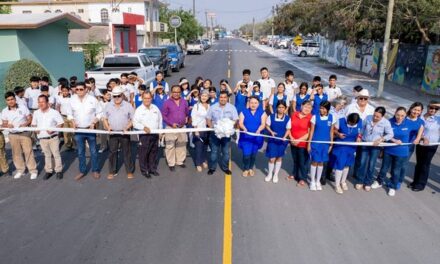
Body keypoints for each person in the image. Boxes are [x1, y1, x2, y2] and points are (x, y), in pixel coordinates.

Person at [67, 82, 102, 180]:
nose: (78, 91)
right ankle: (82, 171)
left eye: (81, 89)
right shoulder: (72, 100)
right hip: (78, 130)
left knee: (93, 151)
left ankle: (95, 170)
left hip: (90, 130)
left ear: (86, 89)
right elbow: (69, 113)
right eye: (76, 89)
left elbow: (100, 113)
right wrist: (72, 121)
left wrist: (94, 122)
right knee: (80, 152)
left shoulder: (93, 100)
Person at [375, 107, 411, 196]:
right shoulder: (389, 122)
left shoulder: (409, 123)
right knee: (384, 168)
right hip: (389, 150)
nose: (399, 117)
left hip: (402, 152)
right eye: (398, 115)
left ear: (405, 115)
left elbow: (421, 129)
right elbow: (384, 133)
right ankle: (379, 182)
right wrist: (394, 140)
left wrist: (421, 138)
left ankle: (392, 186)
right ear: (395, 113)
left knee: (396, 170)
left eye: (402, 115)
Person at [2, 91, 37, 179]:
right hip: (13, 135)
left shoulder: (22, 107)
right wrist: (7, 125)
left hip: (24, 133)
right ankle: (20, 170)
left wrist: (25, 124)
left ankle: (33, 171)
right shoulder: (4, 111)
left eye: (12, 99)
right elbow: (4, 123)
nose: (10, 101)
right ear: (6, 101)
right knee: (16, 153)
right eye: (8, 100)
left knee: (28, 152)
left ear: (15, 99)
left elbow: (30, 118)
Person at [357, 106, 393, 191]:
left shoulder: (386, 123)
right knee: (362, 163)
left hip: (376, 146)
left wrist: (381, 139)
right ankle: (360, 181)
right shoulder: (368, 118)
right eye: (374, 115)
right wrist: (359, 136)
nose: (375, 118)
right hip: (365, 143)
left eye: (378, 117)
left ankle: (368, 182)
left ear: (382, 116)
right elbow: (362, 128)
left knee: (371, 164)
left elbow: (390, 134)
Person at [103, 86, 135, 179]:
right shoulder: (108, 105)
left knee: (127, 152)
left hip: (124, 133)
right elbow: (104, 118)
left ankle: (129, 171)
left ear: (122, 95)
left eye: (119, 96)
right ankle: (112, 171)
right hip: (112, 133)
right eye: (115, 96)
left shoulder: (128, 105)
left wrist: (127, 127)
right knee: (112, 152)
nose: (117, 98)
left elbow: (133, 119)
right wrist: (107, 126)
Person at [32, 95, 64, 180]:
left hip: (53, 137)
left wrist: (53, 130)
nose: (40, 104)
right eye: (39, 102)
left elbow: (61, 123)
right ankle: (49, 171)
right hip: (42, 138)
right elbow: (34, 124)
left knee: (56, 154)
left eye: (42, 102)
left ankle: (58, 171)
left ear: (47, 102)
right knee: (47, 155)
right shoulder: (36, 113)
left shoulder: (54, 112)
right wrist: (36, 129)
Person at [206, 91, 239, 175]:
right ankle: (212, 168)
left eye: (225, 97)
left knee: (226, 153)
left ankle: (225, 168)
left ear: (227, 98)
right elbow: (208, 119)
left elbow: (235, 119)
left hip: (226, 135)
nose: (223, 99)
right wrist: (211, 128)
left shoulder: (232, 108)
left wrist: (229, 127)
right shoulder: (213, 107)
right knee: (214, 152)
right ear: (218, 97)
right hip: (215, 134)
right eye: (221, 97)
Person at [410, 101, 440, 192]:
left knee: (425, 164)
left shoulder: (438, 119)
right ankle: (415, 182)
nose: (433, 110)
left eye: (436, 109)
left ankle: (420, 184)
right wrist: (422, 138)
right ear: (427, 107)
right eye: (431, 107)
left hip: (432, 145)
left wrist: (438, 104)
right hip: (420, 143)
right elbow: (417, 131)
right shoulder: (421, 118)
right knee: (419, 163)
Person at [330, 113, 362, 194]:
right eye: (350, 123)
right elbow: (333, 130)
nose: (351, 124)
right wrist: (338, 134)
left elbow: (360, 132)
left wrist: (359, 137)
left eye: (353, 124)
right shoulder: (341, 121)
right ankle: (337, 185)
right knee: (340, 165)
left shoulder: (360, 122)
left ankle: (343, 181)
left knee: (347, 165)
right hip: (341, 146)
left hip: (351, 147)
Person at [133, 91, 162, 178]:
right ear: (142, 98)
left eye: (149, 98)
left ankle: (152, 169)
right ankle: (144, 170)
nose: (147, 100)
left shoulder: (155, 108)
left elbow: (160, 120)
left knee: (153, 152)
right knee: (144, 153)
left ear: (151, 98)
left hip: (154, 134)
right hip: (144, 135)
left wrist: (160, 131)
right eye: (145, 98)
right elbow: (135, 123)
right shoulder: (139, 110)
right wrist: (143, 127)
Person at [308, 101, 335, 191]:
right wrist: (309, 143)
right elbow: (311, 131)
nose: (321, 110)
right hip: (316, 143)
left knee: (321, 163)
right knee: (314, 162)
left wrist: (331, 143)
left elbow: (331, 131)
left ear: (327, 109)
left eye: (323, 108)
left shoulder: (332, 117)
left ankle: (317, 181)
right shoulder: (315, 117)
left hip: (325, 144)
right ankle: (312, 181)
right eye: (320, 108)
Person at [161, 85, 189, 171]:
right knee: (170, 146)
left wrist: (186, 119)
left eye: (178, 92)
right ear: (171, 92)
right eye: (174, 92)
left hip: (182, 127)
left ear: (180, 92)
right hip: (170, 127)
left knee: (181, 144)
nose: (176, 94)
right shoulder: (167, 102)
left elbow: (187, 112)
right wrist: (171, 123)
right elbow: (163, 115)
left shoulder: (184, 101)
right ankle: (171, 163)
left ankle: (180, 161)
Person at [238, 96, 266, 177]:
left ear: (258, 104)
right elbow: (240, 123)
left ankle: (250, 168)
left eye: (255, 103)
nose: (253, 104)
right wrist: (244, 128)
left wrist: (259, 130)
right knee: (246, 155)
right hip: (246, 137)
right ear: (249, 103)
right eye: (251, 102)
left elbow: (263, 124)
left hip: (256, 137)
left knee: (253, 154)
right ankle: (246, 168)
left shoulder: (262, 113)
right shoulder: (243, 112)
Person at [399, 102, 424, 187]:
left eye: (418, 110)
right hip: (398, 144)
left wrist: (417, 139)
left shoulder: (420, 122)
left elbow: (420, 134)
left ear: (421, 112)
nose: (416, 112)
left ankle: (399, 181)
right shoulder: (403, 118)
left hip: (409, 147)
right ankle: (394, 178)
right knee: (396, 163)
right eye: (415, 109)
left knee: (403, 164)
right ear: (411, 109)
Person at [265, 100, 291, 183]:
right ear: (276, 108)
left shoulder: (287, 118)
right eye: (279, 107)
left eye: (283, 107)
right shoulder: (271, 116)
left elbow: (288, 129)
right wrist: (271, 132)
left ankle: (275, 174)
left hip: (282, 141)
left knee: (279, 158)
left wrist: (284, 137)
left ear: (285, 108)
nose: (281, 109)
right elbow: (267, 125)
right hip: (272, 140)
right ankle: (269, 174)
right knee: (272, 158)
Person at [288, 100, 313, 187]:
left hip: (303, 143)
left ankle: (302, 178)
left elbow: (309, 133)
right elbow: (289, 127)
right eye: (306, 106)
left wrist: (299, 140)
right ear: (301, 106)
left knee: (303, 161)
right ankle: (294, 173)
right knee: (295, 159)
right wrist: (291, 138)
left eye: (309, 107)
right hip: (292, 141)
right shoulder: (294, 114)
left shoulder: (311, 118)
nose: (307, 109)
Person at [191, 90, 210, 172]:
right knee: (199, 147)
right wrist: (196, 130)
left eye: (206, 96)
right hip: (199, 128)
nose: (204, 97)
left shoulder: (209, 106)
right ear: (200, 96)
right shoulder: (196, 106)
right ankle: (198, 163)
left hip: (207, 129)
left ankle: (203, 160)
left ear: (208, 97)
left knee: (205, 147)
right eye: (202, 96)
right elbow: (193, 117)